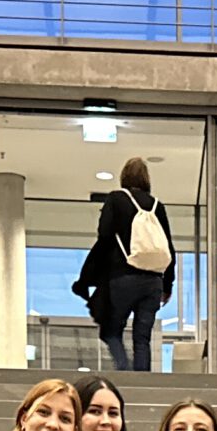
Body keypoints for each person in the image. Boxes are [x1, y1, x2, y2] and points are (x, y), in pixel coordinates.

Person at [78, 156, 176, 374]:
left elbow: (104, 236)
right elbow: (168, 247)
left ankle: (123, 368)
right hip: (153, 281)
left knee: (111, 330)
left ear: (124, 177)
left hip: (122, 278)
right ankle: (143, 381)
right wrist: (168, 285)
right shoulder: (157, 206)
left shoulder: (116, 199)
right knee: (143, 338)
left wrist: (92, 273)